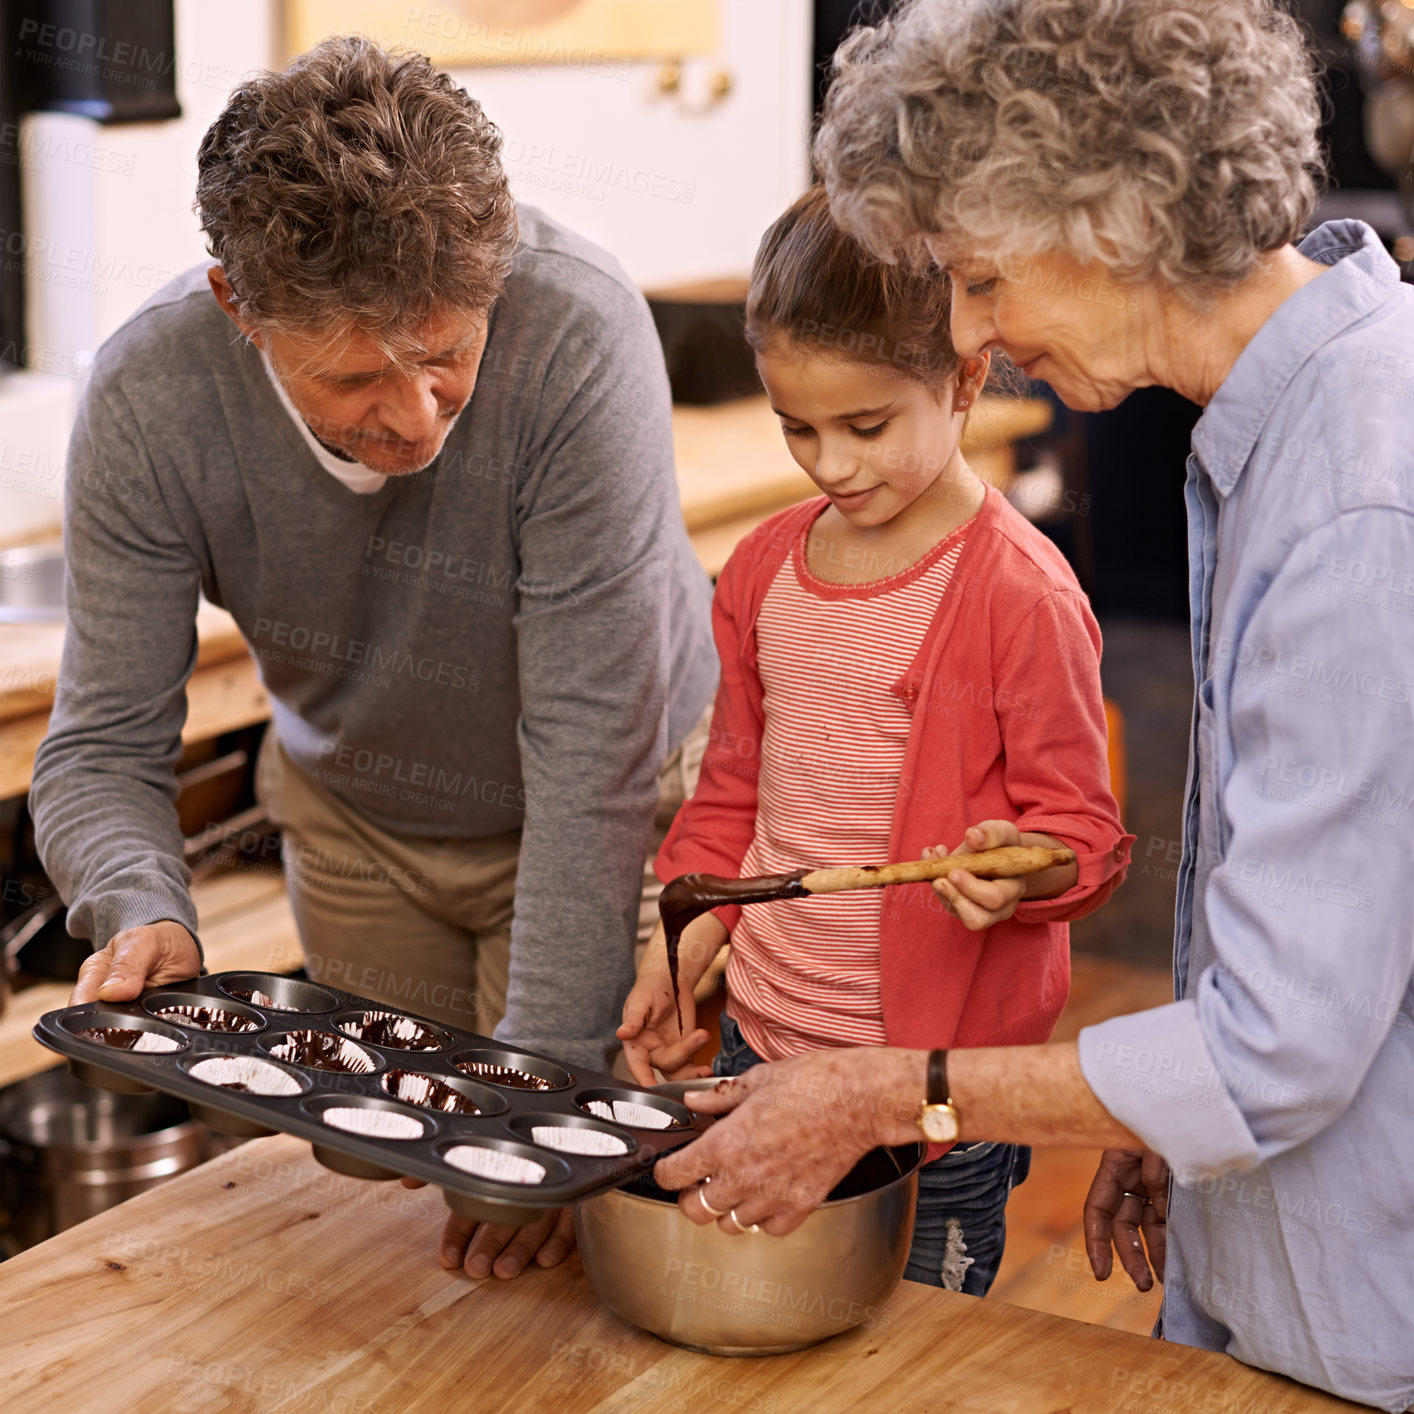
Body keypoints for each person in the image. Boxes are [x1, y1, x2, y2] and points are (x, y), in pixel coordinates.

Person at [649, 3, 1414, 1410]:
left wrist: (890, 1091)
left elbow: (1272, 1053)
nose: (975, 340)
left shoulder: (1361, 493)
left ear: (1116, 218)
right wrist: (1160, 1106)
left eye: (986, 280)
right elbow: (1310, 944)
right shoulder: (1291, 428)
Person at [29, 38, 715, 1284]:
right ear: (241, 307)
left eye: (450, 357)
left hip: (605, 804)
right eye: (354, 376)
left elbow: (589, 745)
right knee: (389, 1211)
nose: (414, 419)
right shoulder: (150, 395)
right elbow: (101, 747)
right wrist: (144, 914)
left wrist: (538, 1106)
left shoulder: (578, 332)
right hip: (361, 813)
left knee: (568, 1230)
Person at [617, 186, 1131, 1293]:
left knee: (912, 1340)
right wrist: (682, 939)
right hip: (761, 1041)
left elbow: (1081, 836)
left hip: (932, 1090)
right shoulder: (760, 570)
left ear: (961, 378)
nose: (832, 465)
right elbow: (726, 797)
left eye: (864, 427)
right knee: (760, 1299)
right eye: (796, 426)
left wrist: (1022, 874)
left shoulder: (1017, 593)